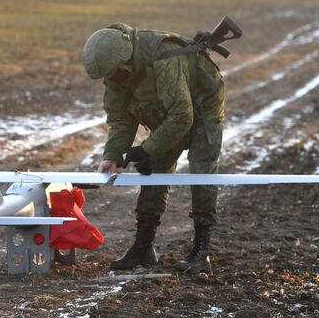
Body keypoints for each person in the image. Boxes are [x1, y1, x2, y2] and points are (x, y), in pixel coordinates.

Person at [81, 22, 225, 273]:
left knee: (201, 172)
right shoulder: (115, 73)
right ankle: (143, 248)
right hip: (165, 109)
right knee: (154, 172)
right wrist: (113, 155)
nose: (110, 79)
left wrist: (147, 149)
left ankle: (202, 250)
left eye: (112, 73)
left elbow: (182, 116)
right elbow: (121, 119)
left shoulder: (162, 56)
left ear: (123, 61)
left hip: (202, 107)